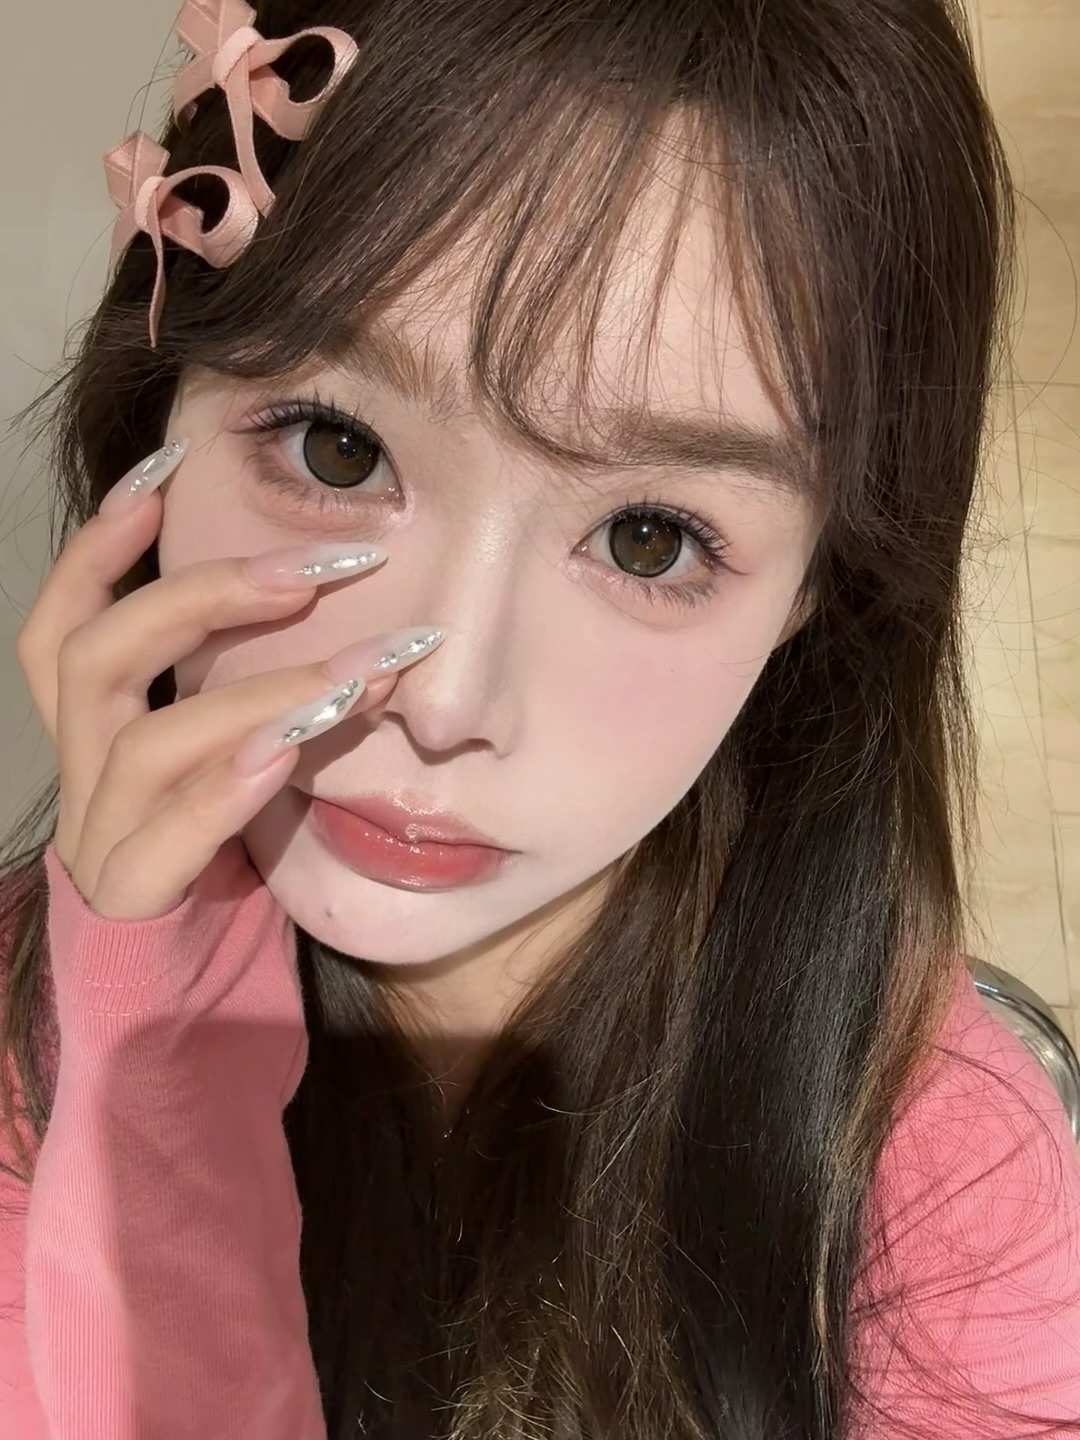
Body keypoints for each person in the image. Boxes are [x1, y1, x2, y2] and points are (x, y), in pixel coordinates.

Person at [1, 0, 1078, 1436]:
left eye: (649, 538)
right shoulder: (24, 1057)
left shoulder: (945, 1176)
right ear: (157, 419)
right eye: (338, 447)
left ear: (819, 585)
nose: (446, 703)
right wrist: (146, 1058)